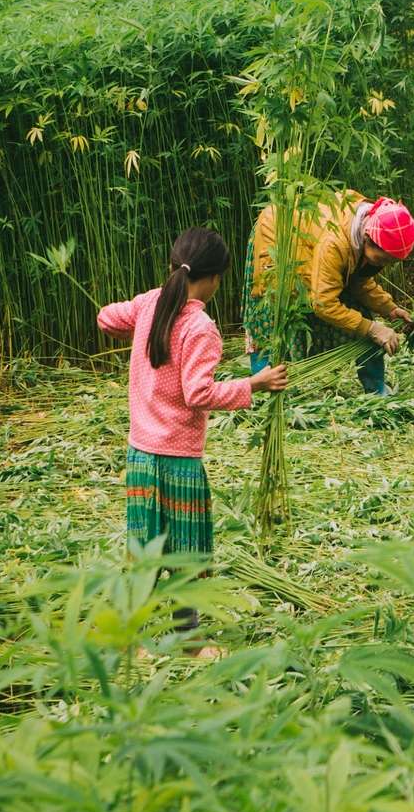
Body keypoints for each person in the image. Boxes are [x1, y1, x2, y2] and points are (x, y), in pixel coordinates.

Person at [97, 228, 288, 638]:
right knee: (186, 553)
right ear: (216, 278)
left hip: (140, 455)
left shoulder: (151, 304)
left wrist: (139, 325)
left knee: (145, 550)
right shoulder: (199, 327)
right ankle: (189, 643)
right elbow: (198, 393)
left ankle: (133, 641)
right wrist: (254, 384)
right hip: (177, 462)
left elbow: (106, 317)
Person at [246, 192, 414, 394]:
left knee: (363, 315)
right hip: (280, 238)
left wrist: (389, 309)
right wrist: (372, 328)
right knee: (273, 319)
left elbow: (359, 280)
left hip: (314, 243)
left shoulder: (366, 226)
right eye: (382, 260)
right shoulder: (335, 243)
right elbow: (323, 304)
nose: (384, 266)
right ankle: (263, 394)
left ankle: (376, 389)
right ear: (367, 238)